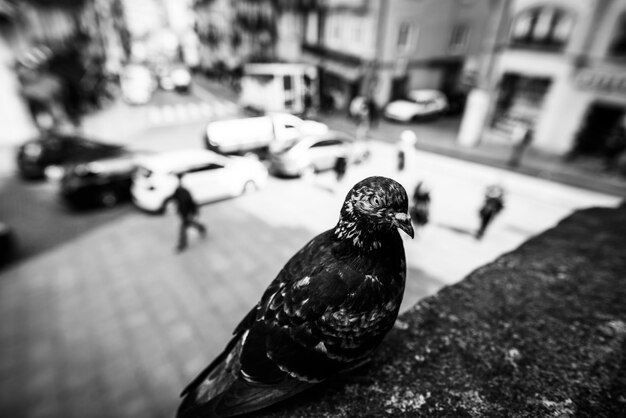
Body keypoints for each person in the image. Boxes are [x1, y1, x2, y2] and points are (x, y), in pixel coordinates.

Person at [171, 173, 206, 252]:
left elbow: (192, 203)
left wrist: (194, 212)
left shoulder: (186, 192)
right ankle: (201, 228)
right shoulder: (177, 190)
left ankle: (182, 245)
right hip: (182, 213)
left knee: (183, 228)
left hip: (187, 214)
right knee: (190, 224)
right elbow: (174, 198)